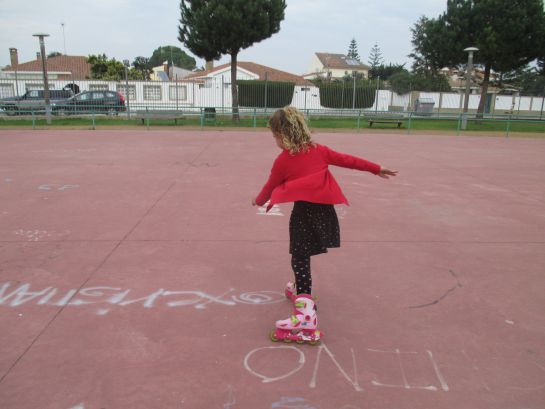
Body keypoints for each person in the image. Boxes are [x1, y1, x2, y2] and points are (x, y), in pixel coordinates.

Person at [252, 106, 398, 344]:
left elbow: (269, 187)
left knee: (299, 256)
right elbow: (348, 160)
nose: (275, 141)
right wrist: (376, 168)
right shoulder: (319, 151)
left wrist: (256, 201)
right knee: (303, 254)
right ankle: (302, 292)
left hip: (304, 213)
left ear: (284, 135)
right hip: (324, 212)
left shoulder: (283, 161)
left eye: (275, 136)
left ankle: (305, 314)